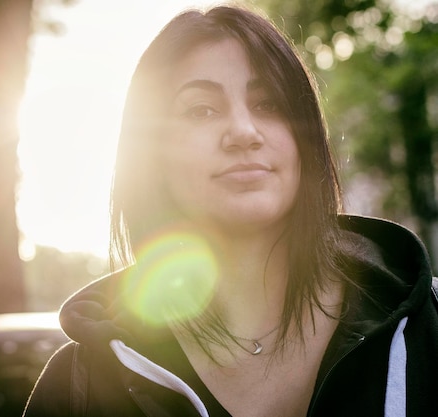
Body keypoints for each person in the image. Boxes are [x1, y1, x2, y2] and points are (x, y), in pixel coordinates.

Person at [23, 4, 438, 417]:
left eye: (269, 104)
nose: (243, 132)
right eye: (201, 110)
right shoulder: (80, 386)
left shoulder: (427, 330)